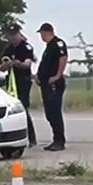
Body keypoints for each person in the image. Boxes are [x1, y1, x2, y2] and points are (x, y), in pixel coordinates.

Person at [1, 26, 37, 147]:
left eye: (14, 34)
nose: (13, 37)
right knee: (12, 109)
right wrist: (4, 65)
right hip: (12, 82)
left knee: (23, 108)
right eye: (10, 35)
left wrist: (16, 63)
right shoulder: (8, 48)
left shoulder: (25, 47)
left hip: (23, 81)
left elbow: (27, 64)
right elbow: (2, 65)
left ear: (19, 34)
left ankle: (32, 138)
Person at [36, 23, 68, 151]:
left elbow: (63, 58)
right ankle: (55, 139)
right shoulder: (49, 46)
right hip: (45, 84)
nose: (41, 37)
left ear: (47, 32)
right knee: (49, 113)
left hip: (54, 83)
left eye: (42, 34)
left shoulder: (58, 43)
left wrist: (58, 75)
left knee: (55, 112)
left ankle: (59, 140)